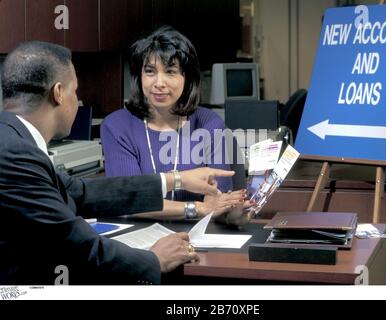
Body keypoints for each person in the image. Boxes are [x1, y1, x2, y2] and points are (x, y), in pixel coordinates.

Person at [0, 41, 235, 285]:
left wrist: (176, 179)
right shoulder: (15, 154)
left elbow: (80, 193)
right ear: (58, 93)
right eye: (75, 91)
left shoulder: (14, 141)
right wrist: (154, 259)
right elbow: (74, 245)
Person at [101, 26, 251, 224]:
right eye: (150, 71)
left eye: (170, 72)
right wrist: (197, 208)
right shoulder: (116, 126)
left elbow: (217, 199)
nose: (159, 83)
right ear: (140, 76)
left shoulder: (209, 123)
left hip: (198, 240)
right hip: (138, 243)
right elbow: (130, 199)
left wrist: (235, 213)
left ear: (187, 78)